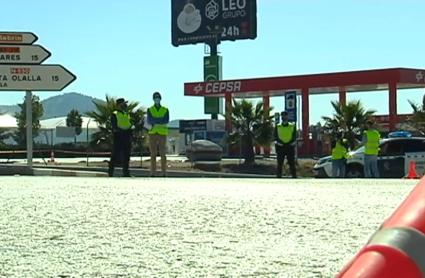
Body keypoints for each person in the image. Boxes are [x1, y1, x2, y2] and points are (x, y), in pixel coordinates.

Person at [147, 92, 169, 177]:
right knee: (153, 154)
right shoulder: (150, 109)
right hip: (152, 132)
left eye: (158, 97)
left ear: (160, 98)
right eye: (155, 97)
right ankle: (153, 172)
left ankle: (164, 172)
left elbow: (165, 120)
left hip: (162, 133)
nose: (157, 99)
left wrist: (156, 121)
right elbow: (150, 120)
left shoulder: (165, 109)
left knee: (163, 153)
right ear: (153, 99)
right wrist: (159, 120)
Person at [109, 98, 132, 177]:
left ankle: (126, 173)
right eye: (123, 104)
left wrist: (130, 129)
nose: (125, 105)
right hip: (118, 136)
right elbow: (114, 126)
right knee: (115, 155)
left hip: (127, 136)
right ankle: (110, 173)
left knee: (127, 155)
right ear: (119, 105)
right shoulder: (114, 114)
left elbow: (128, 124)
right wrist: (122, 130)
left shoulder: (126, 114)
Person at [275, 111, 297, 178]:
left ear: (287, 116)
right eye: (283, 116)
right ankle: (278, 176)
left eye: (285, 115)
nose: (284, 117)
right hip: (280, 147)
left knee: (292, 163)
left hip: (290, 147)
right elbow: (275, 136)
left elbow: (294, 136)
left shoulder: (292, 125)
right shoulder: (278, 126)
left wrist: (291, 143)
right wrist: (279, 143)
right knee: (280, 163)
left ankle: (294, 176)